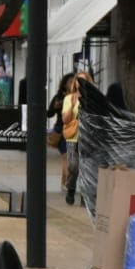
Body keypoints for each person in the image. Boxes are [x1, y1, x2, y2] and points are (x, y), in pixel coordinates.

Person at [62, 73, 86, 205]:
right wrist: (72, 105)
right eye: (79, 80)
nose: (81, 82)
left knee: (85, 167)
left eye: (84, 79)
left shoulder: (91, 99)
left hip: (88, 138)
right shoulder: (69, 98)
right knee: (73, 166)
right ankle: (71, 189)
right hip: (73, 136)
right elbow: (65, 119)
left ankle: (84, 196)